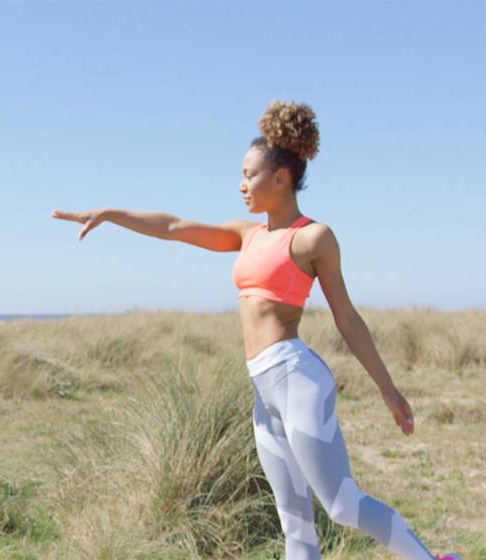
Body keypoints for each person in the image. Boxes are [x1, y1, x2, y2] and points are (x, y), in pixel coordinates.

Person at [51, 99, 461, 560]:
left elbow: (346, 316)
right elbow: (172, 227)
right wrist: (109, 214)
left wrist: (388, 389)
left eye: (250, 174)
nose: (241, 184)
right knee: (294, 523)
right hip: (262, 389)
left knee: (343, 505)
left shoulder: (312, 237)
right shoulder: (247, 235)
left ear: (281, 178)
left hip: (297, 379)